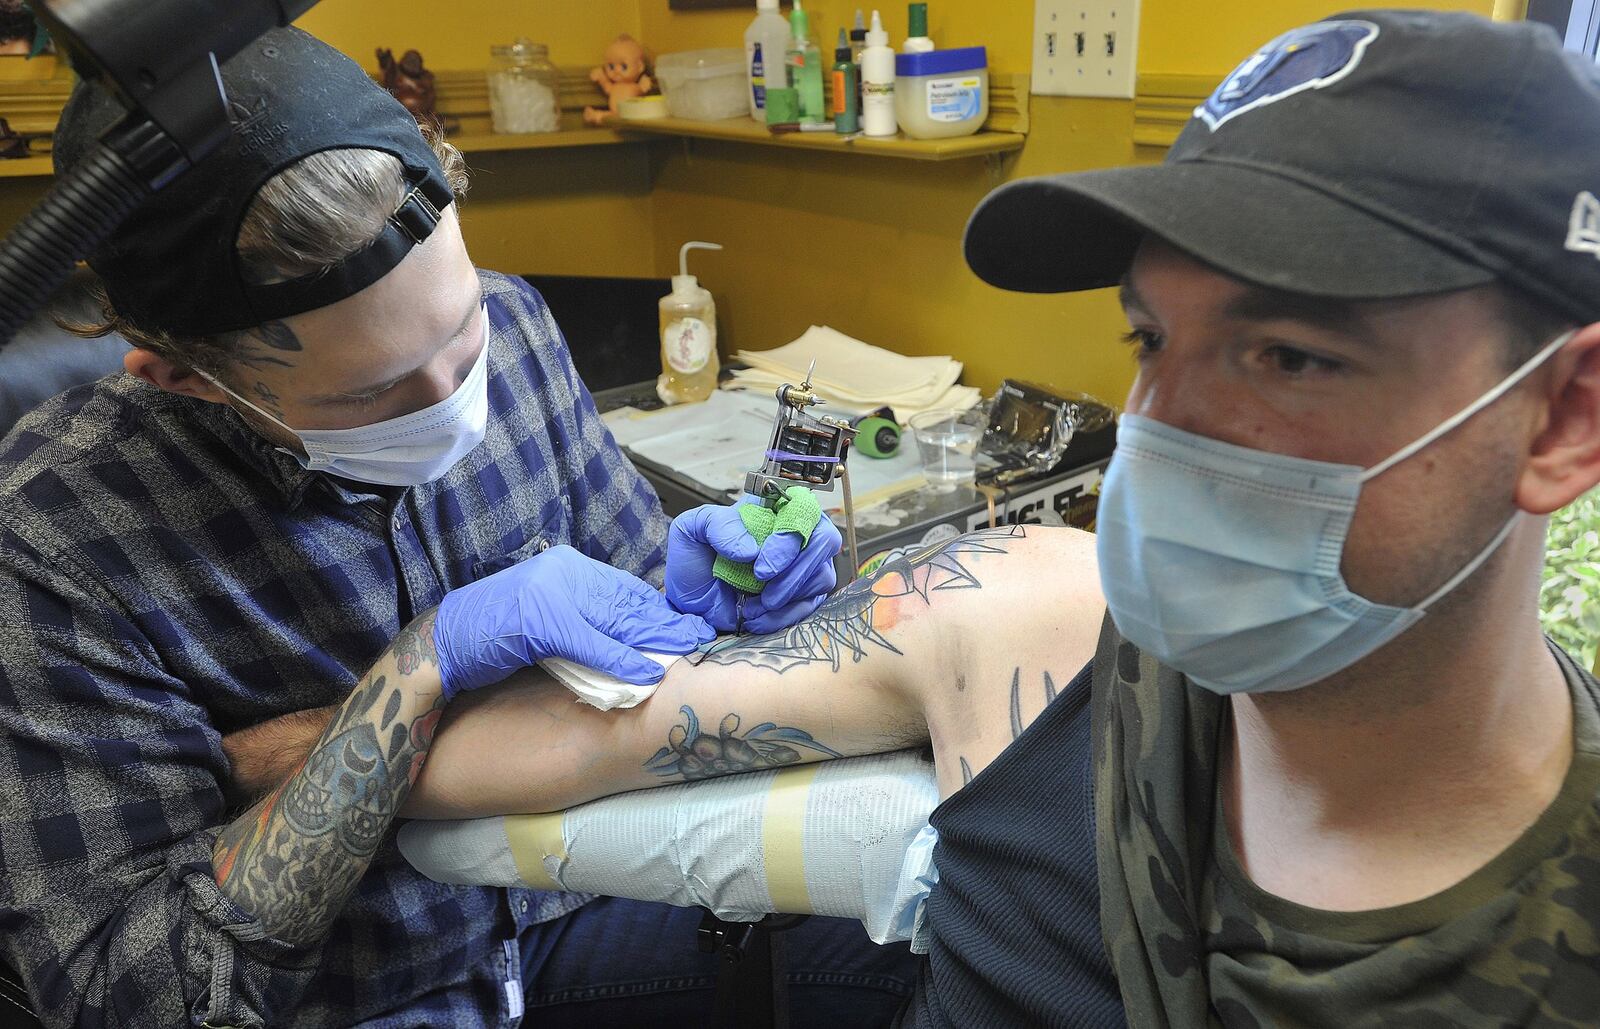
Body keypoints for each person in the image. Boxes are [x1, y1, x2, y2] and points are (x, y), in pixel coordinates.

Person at [353, 11, 1600, 1027]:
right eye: (1148, 339)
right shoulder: (1030, 620)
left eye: (1288, 356)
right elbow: (499, 757)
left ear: (1560, 422)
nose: (1155, 438)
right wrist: (431, 653)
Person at [0, 27, 916, 1029]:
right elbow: (142, 996)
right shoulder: (55, 540)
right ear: (186, 377)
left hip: (572, 911)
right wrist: (421, 667)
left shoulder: (516, 333)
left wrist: (708, 601)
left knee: (945, 934)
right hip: (367, 988)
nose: (453, 399)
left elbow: (637, 624)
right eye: (377, 392)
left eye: (458, 331)